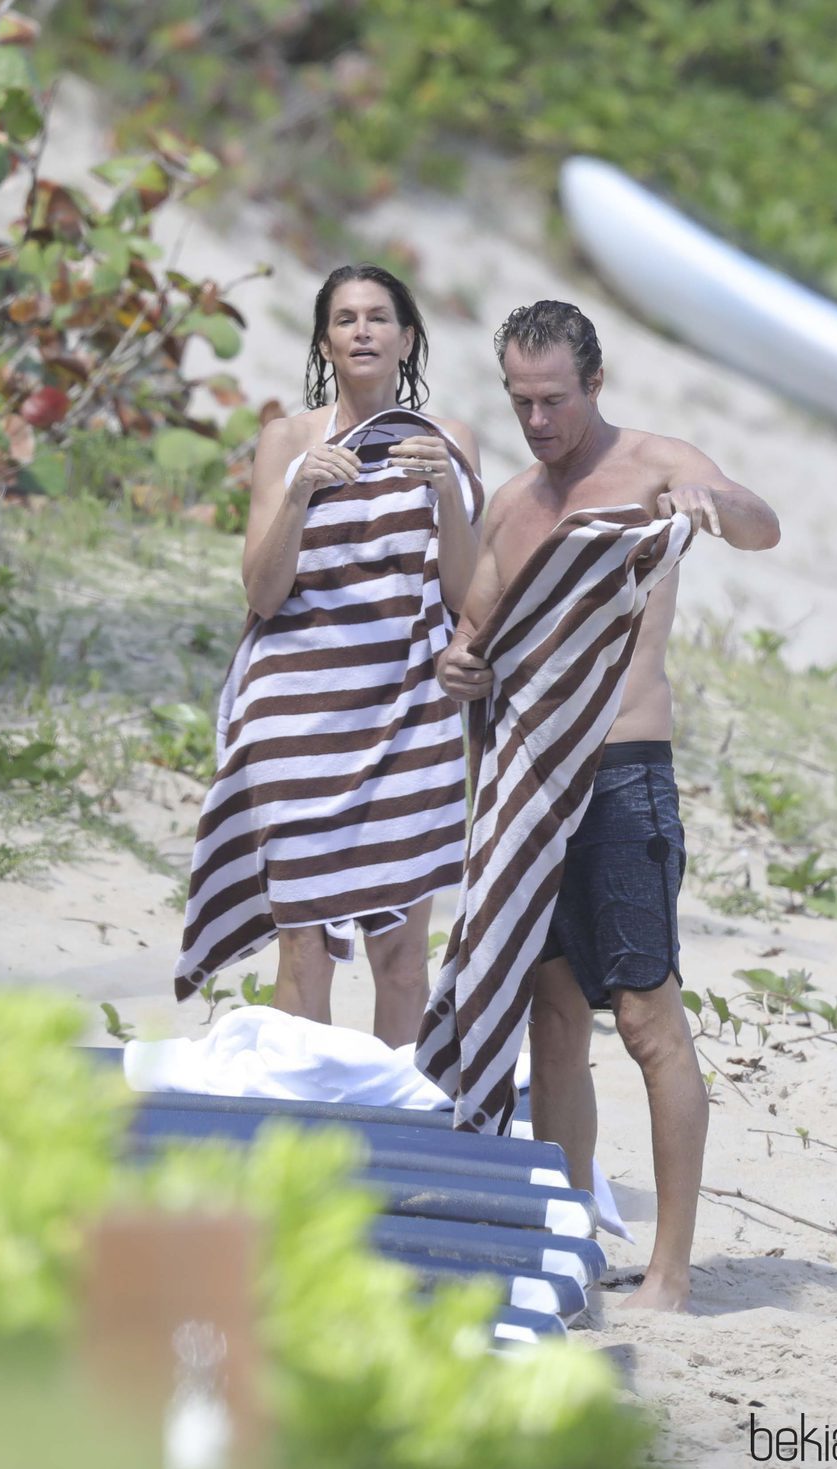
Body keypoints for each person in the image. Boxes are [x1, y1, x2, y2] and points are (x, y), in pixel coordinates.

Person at [433, 300, 780, 1310]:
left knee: (644, 1018)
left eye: (552, 399)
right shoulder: (510, 504)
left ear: (592, 384)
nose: (537, 419)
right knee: (548, 1015)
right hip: (528, 779)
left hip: (622, 775)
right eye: (520, 401)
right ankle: (564, 1238)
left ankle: (668, 1273)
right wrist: (460, 668)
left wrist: (714, 503)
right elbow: (473, 634)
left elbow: (758, 522)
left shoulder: (651, 468)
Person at [174, 264, 483, 1046]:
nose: (363, 331)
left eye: (379, 317)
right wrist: (302, 492)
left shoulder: (451, 440)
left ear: (407, 337)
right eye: (345, 319)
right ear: (324, 340)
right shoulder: (287, 439)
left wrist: (447, 489)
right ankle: (300, 1126)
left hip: (408, 708)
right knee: (304, 941)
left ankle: (390, 1135)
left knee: (403, 954)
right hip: (296, 713)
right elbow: (263, 590)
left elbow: (462, 591)